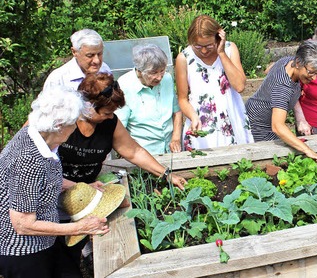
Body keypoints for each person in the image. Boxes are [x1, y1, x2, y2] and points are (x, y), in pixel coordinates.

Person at [57, 72, 187, 274]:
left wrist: (166, 174)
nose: (111, 117)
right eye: (106, 112)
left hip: (83, 202)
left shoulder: (109, 123)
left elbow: (133, 151)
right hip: (49, 198)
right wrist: (71, 185)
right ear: (88, 105)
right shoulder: (60, 120)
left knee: (71, 255)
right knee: (49, 257)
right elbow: (32, 159)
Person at [0, 88, 109, 277]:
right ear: (59, 125)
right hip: (23, 250)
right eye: (73, 123)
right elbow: (22, 224)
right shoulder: (28, 160)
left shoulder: (36, 136)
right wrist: (79, 227)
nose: (76, 128)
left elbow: (44, 182)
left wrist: (79, 186)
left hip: (44, 239)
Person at [176, 15, 253, 151]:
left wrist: (221, 53)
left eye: (208, 45)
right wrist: (193, 117)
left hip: (231, 119)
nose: (204, 50)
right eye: (198, 46)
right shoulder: (184, 58)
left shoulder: (230, 49)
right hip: (201, 123)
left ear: (219, 37)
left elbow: (239, 86)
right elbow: (182, 99)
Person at [245, 40, 317, 164]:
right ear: (299, 62)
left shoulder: (288, 61)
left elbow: (269, 69)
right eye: (311, 72)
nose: (314, 78)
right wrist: (308, 151)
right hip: (258, 128)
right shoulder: (282, 87)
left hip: (261, 117)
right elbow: (278, 127)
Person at [116, 44, 183, 155]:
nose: (159, 77)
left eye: (162, 70)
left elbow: (177, 112)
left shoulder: (167, 79)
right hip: (142, 154)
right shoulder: (125, 85)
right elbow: (120, 127)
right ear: (139, 71)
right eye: (153, 72)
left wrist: (176, 138)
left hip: (170, 150)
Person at [43, 29, 111, 91]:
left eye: (99, 54)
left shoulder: (104, 69)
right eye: (90, 56)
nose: (97, 61)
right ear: (74, 52)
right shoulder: (58, 80)